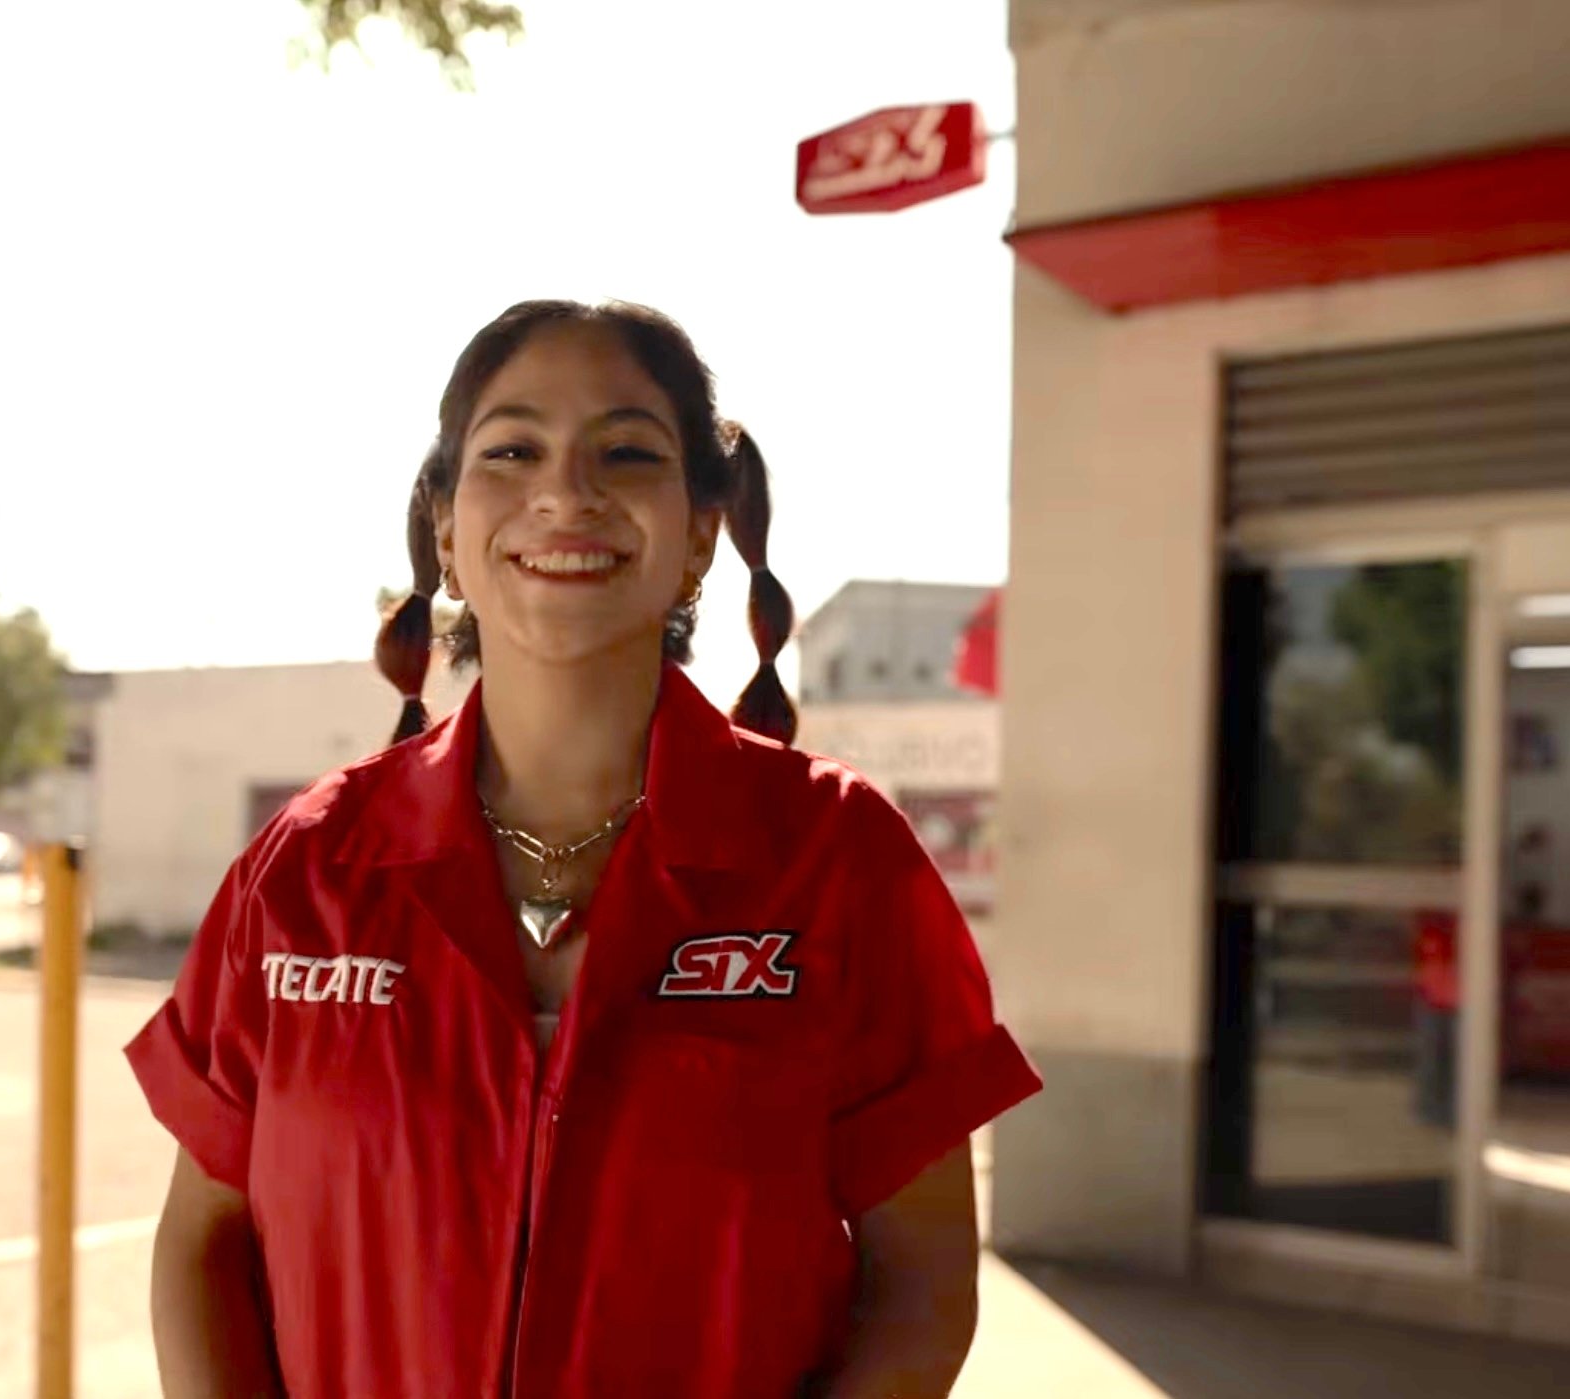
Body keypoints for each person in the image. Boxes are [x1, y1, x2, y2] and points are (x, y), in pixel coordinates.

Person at [127, 300, 1043, 1398]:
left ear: (701, 532)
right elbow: (201, 1243)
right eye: (512, 450)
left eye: (627, 451)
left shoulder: (844, 860)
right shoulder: (305, 872)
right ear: (447, 531)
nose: (566, 492)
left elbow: (922, 1283)